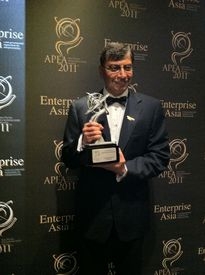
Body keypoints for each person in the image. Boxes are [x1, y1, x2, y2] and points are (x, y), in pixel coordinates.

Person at [61, 42, 170, 275]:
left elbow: (160, 157)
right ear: (102, 70)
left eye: (127, 67)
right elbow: (68, 159)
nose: (122, 75)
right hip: (92, 217)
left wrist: (124, 168)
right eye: (114, 68)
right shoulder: (80, 107)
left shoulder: (151, 108)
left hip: (132, 216)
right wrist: (83, 142)